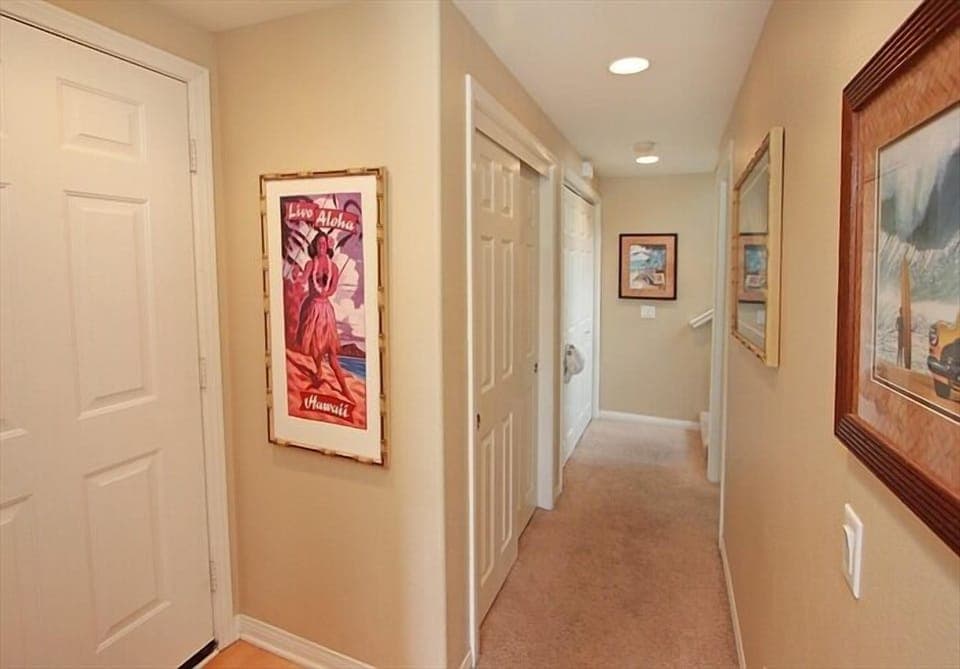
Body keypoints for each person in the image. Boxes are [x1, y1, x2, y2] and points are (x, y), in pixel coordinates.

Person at [295, 231, 356, 403]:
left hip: (325, 311)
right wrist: (297, 278)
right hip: (312, 308)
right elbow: (303, 280)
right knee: (315, 345)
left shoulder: (334, 268)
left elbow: (333, 288)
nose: (322, 245)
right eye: (319, 243)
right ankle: (318, 369)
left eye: (324, 243)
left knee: (331, 352)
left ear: (328, 245)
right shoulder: (310, 264)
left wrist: (326, 292)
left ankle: (345, 389)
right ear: (315, 246)